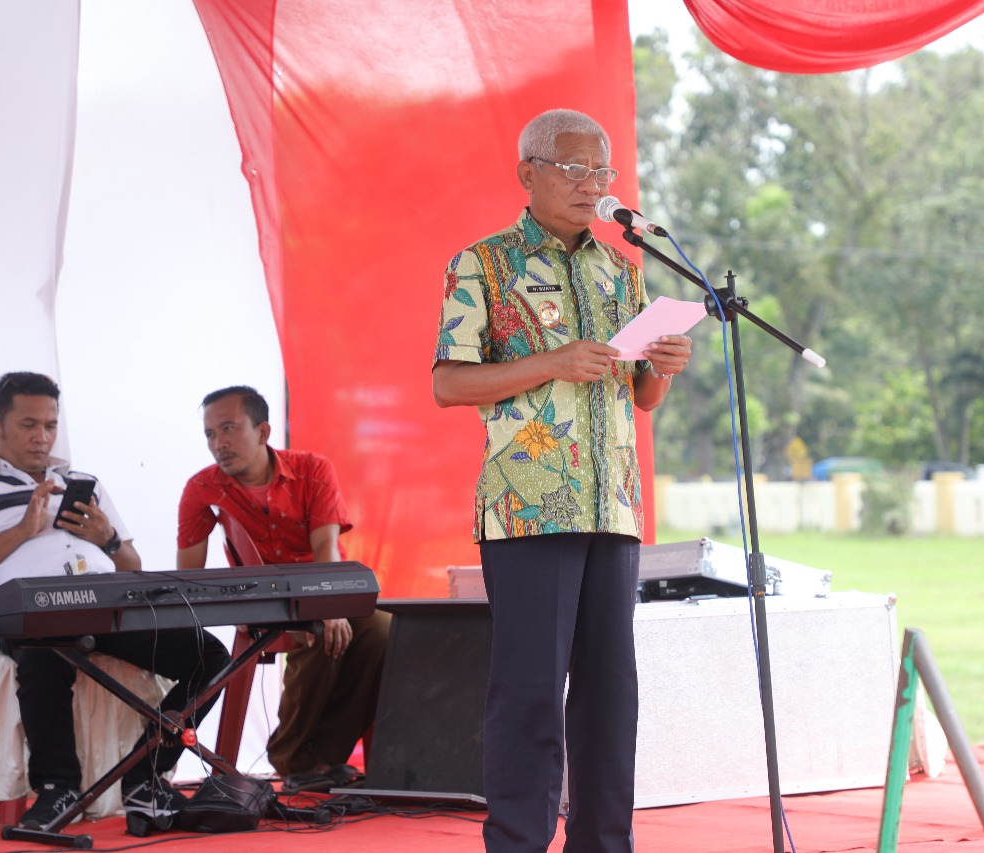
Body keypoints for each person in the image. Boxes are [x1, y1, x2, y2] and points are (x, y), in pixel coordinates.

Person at [432, 109, 692, 852]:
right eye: (574, 169)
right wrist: (552, 362)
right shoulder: (483, 265)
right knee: (531, 692)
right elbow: (448, 383)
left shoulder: (623, 270)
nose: (591, 184)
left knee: (611, 693)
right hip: (529, 508)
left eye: (601, 172)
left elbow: (640, 397)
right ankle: (518, 841)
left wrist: (664, 370)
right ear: (529, 173)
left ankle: (604, 843)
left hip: (613, 506)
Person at [0, 372, 231, 828]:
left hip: (107, 604)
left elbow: (132, 565)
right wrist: (23, 530)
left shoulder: (83, 481)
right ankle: (58, 790)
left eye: (50, 425)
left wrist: (107, 539)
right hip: (30, 612)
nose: (42, 437)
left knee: (210, 656)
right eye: (28, 424)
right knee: (45, 651)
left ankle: (146, 774)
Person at [176, 385, 390, 789]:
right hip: (265, 604)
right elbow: (188, 578)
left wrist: (327, 606)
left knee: (383, 630)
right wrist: (237, 610)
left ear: (263, 431)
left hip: (326, 590)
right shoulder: (202, 488)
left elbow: (326, 550)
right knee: (318, 632)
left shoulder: (312, 469)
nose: (218, 444)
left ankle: (324, 757)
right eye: (209, 434)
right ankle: (291, 757)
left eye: (228, 429)